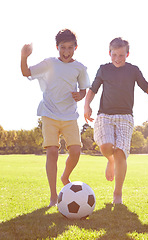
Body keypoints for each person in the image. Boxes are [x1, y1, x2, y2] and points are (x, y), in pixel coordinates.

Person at [84, 37, 148, 204]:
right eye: (114, 55)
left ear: (127, 54)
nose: (118, 59)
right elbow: (93, 89)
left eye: (121, 55)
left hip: (125, 117)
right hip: (105, 115)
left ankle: (117, 193)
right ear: (109, 53)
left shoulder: (133, 70)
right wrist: (86, 105)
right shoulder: (104, 69)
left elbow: (146, 87)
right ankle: (110, 161)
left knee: (120, 153)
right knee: (105, 147)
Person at [21, 29, 90, 207]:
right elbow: (26, 72)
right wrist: (24, 56)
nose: (66, 52)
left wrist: (80, 95)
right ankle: (53, 196)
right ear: (56, 47)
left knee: (75, 151)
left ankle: (65, 176)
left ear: (76, 47)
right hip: (49, 114)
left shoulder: (80, 68)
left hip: (69, 117)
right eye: (62, 48)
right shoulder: (50, 63)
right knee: (52, 152)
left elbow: (84, 89)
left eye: (70, 48)